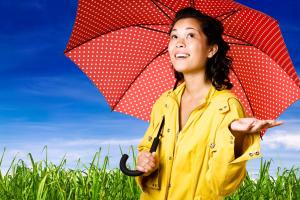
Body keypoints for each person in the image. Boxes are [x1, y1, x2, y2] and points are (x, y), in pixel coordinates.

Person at [135, 7, 283, 200]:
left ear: (211, 49)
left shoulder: (226, 106)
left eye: (190, 36)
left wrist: (235, 135)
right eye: (174, 36)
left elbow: (221, 185)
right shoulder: (164, 102)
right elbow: (146, 150)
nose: (179, 43)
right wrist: (144, 163)